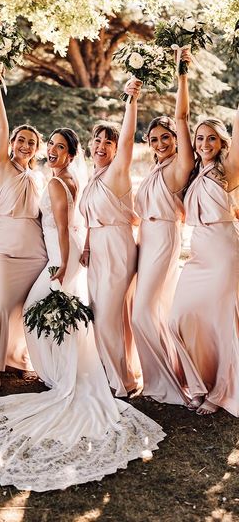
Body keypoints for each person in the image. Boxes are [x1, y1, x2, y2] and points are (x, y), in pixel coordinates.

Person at [0, 127, 165, 492]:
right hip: (59, 251)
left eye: (58, 147)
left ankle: (64, 371)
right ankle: (62, 368)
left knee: (44, 308)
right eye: (49, 145)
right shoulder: (62, 178)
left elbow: (65, 226)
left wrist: (63, 264)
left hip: (58, 255)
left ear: (70, 154)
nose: (51, 150)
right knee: (61, 313)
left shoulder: (55, 183)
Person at [131, 49, 194, 405]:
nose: (159, 144)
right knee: (152, 310)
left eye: (165, 138)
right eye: (153, 140)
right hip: (145, 239)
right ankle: (158, 378)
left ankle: (168, 384)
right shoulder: (154, 169)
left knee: (143, 312)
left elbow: (181, 116)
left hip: (165, 238)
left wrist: (180, 72)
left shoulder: (177, 165)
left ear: (174, 138)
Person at [0, 72, 47, 397]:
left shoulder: (37, 175)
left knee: (25, 308)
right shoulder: (0, 166)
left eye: (31, 143)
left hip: (35, 251)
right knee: (1, 306)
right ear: (11, 143)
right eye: (21, 140)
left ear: (36, 150)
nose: (25, 145)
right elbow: (1, 126)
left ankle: (18, 359)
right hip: (3, 248)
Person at [169, 110, 239, 416]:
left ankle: (220, 391)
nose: (205, 143)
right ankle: (198, 384)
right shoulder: (194, 172)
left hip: (224, 253)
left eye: (212, 137)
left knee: (223, 326)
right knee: (178, 318)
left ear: (223, 142)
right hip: (198, 254)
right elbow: (180, 119)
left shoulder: (230, 169)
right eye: (201, 138)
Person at [79, 79, 142, 396]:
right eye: (97, 140)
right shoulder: (92, 178)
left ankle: (123, 382)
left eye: (108, 142)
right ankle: (112, 371)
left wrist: (131, 100)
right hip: (97, 253)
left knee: (107, 317)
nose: (101, 146)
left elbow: (129, 137)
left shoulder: (118, 172)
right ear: (89, 144)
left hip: (118, 248)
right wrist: (87, 246)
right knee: (102, 315)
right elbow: (90, 218)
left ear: (116, 150)